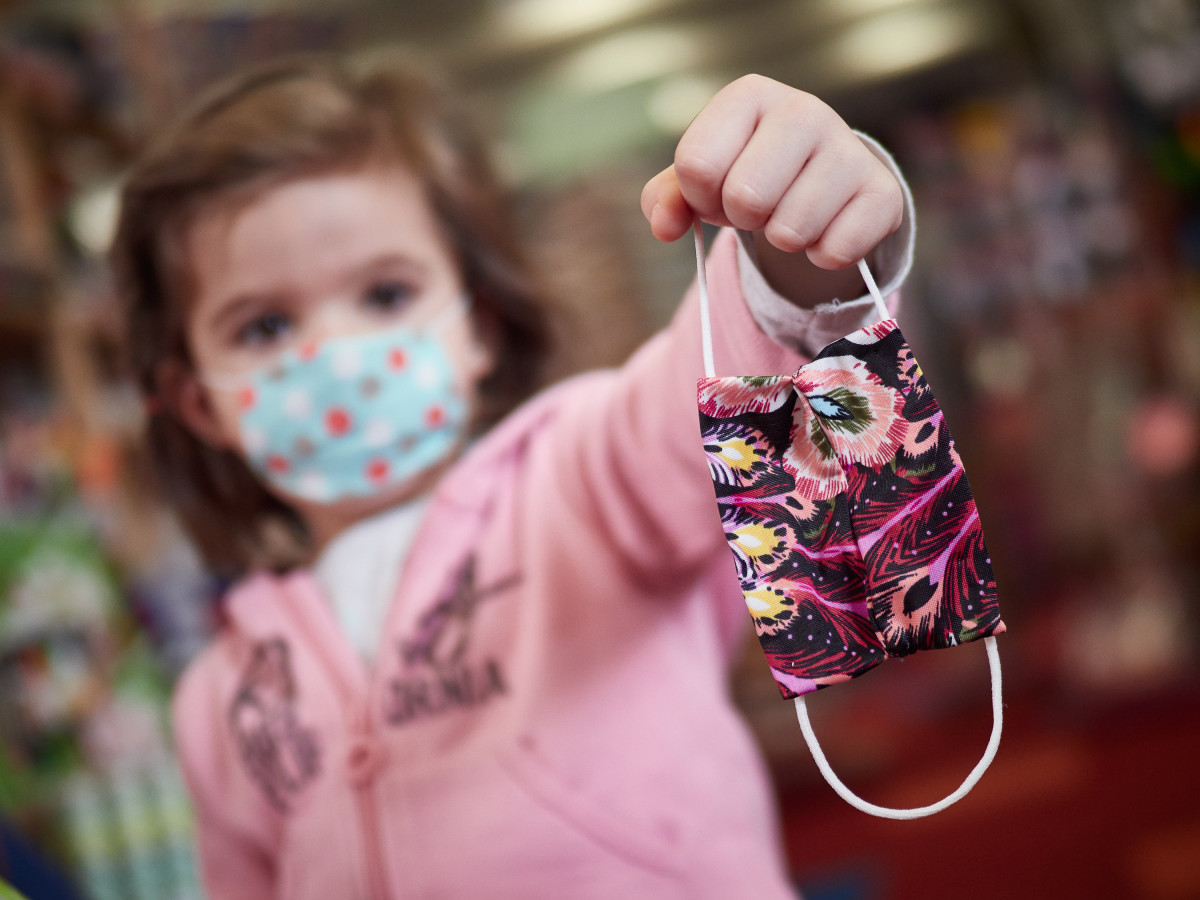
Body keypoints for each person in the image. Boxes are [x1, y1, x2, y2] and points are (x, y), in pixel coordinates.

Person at [113, 53, 913, 899]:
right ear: (199, 403)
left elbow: (712, 396)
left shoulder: (578, 486)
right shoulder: (220, 703)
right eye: (264, 324)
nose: (334, 355)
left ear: (479, 328)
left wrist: (800, 258)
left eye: (385, 295)